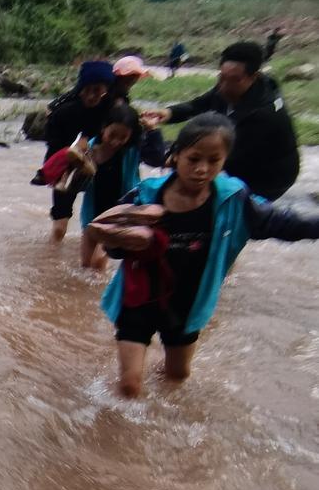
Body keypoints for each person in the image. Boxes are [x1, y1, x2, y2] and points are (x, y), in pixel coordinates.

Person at [86, 113, 319, 399]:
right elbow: (113, 245)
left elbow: (283, 223)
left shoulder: (235, 200)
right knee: (129, 386)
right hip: (138, 299)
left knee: (177, 375)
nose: (202, 169)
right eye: (194, 159)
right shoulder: (144, 196)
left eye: (213, 161)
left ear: (224, 162)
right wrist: (126, 242)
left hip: (187, 303)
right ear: (176, 156)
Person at [142, 40, 299, 200]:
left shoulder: (264, 115)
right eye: (221, 77)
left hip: (268, 177)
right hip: (241, 160)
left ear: (253, 77)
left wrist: (174, 157)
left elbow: (223, 154)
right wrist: (167, 113)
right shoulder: (227, 87)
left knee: (237, 209)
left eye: (234, 80)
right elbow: (199, 105)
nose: (223, 86)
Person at [42, 102, 149, 265]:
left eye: (123, 137)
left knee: (98, 262)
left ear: (131, 136)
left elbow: (156, 156)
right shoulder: (88, 150)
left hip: (119, 213)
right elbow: (76, 185)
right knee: (85, 265)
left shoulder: (132, 151)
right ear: (103, 128)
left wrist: (152, 130)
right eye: (112, 135)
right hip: (93, 213)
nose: (116, 142)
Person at [30, 61, 115, 186]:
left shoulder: (111, 108)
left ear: (105, 91)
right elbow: (54, 144)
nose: (91, 96)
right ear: (81, 90)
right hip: (66, 149)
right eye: (87, 90)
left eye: (97, 91)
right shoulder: (63, 112)